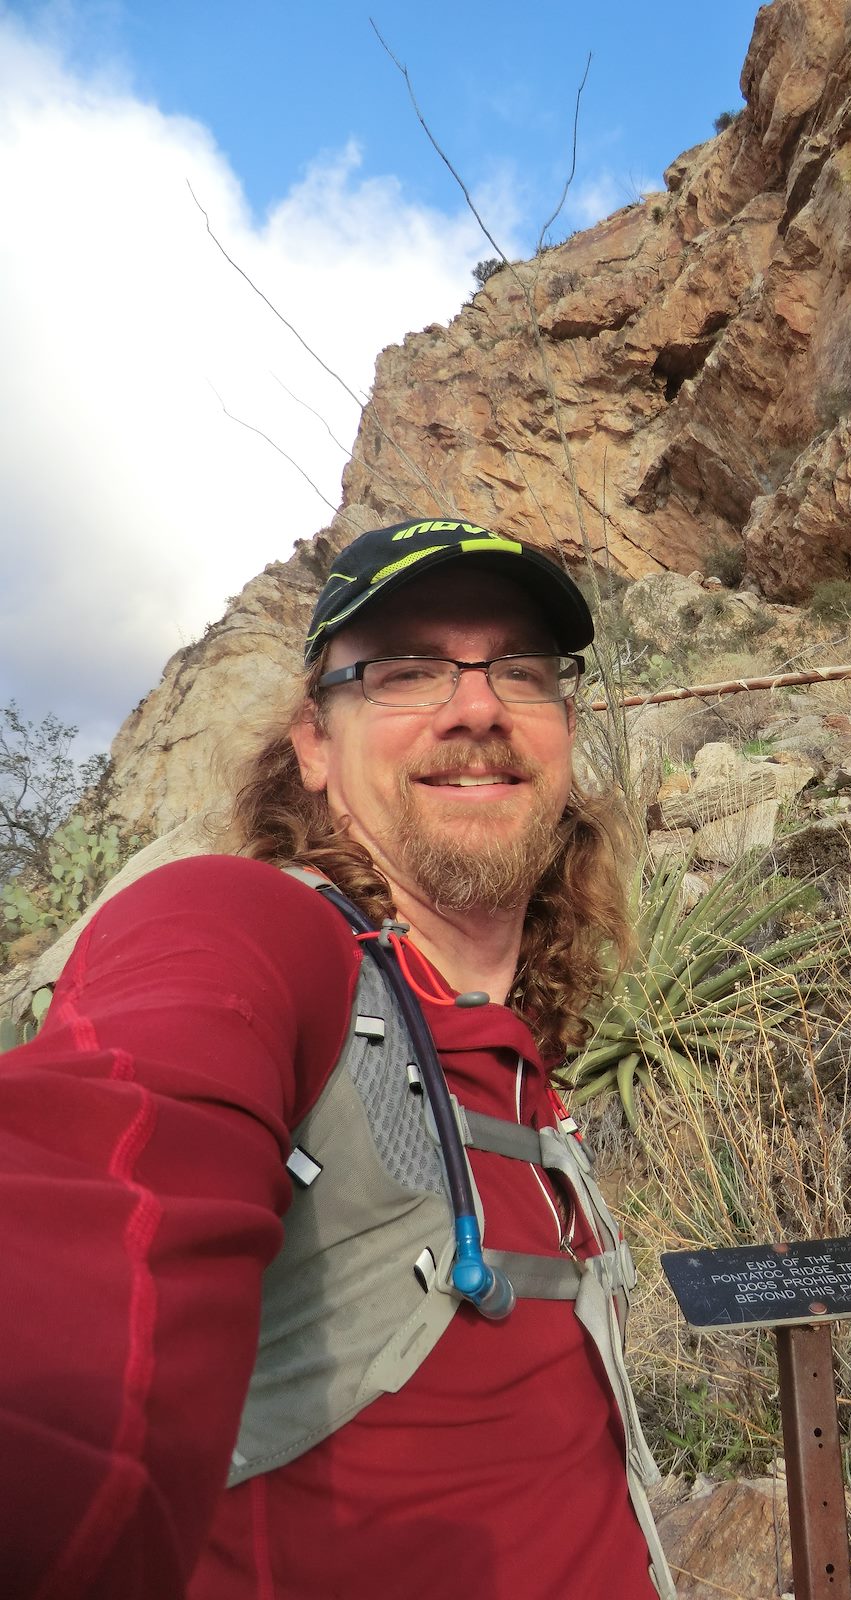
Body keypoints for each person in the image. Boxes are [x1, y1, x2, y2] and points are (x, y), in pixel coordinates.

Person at [0, 518, 676, 1599]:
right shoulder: (246, 932)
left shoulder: (515, 1054)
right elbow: (83, 1236)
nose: (477, 704)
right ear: (315, 744)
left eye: (522, 669)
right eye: (407, 670)